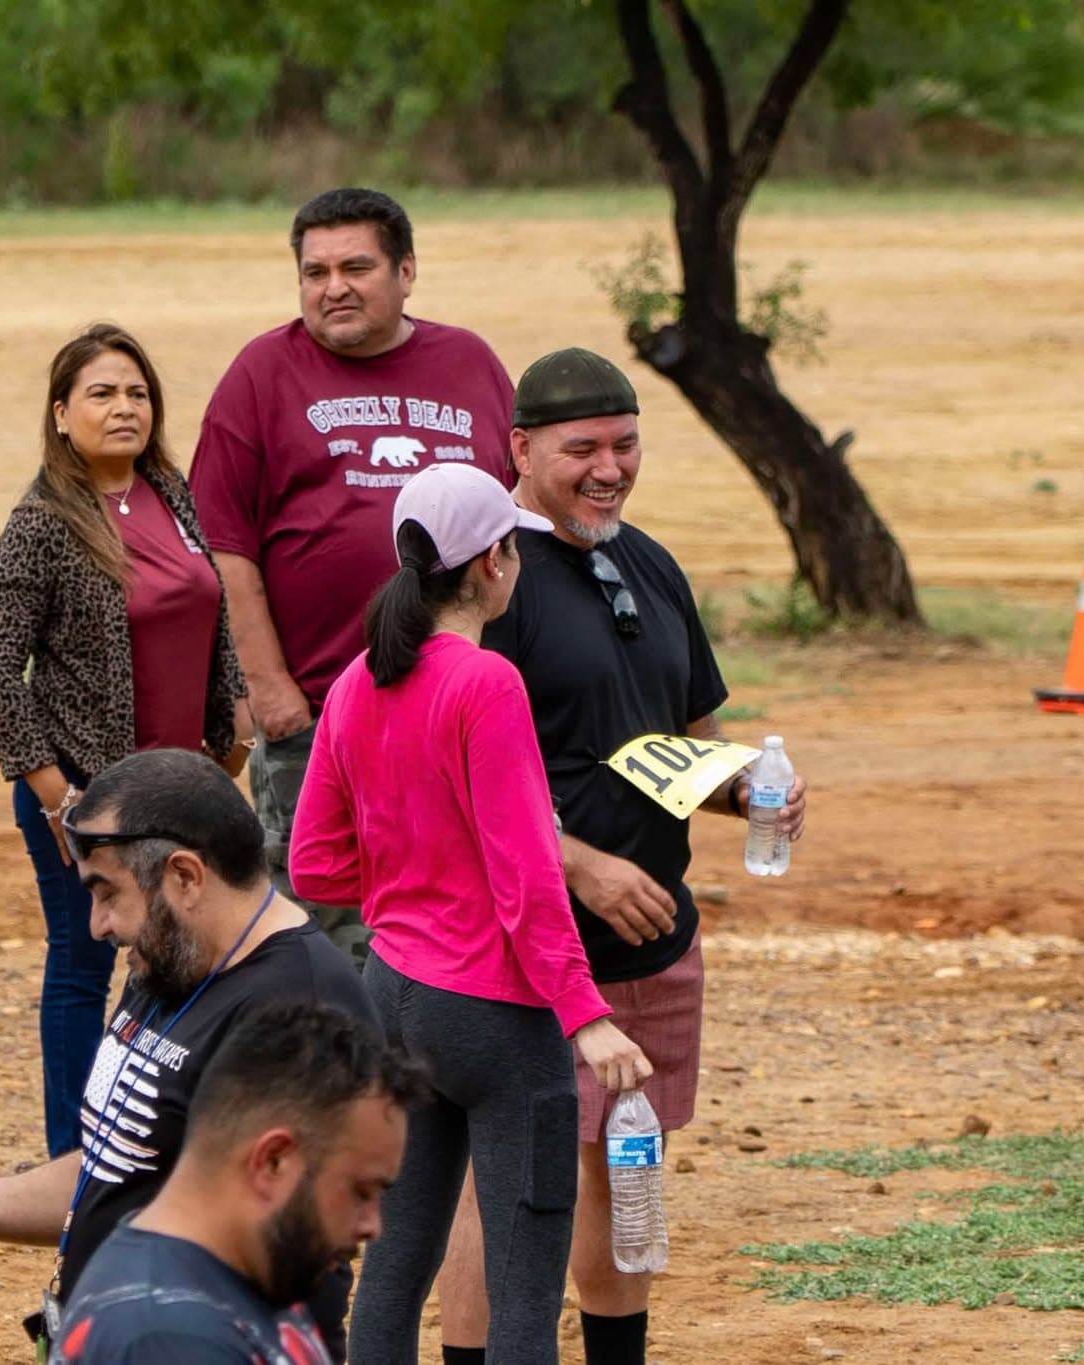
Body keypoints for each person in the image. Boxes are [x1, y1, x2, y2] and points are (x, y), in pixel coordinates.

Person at [434, 349, 810, 1365]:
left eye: (625, 444)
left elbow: (683, 728)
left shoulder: (643, 559)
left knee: (622, 1167)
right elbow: (453, 777)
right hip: (523, 945)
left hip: (648, 936)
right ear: (518, 449)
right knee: (504, 1177)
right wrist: (579, 864)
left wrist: (743, 788)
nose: (608, 468)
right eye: (581, 449)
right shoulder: (484, 581)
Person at [289, 462, 652, 1362]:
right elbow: (528, 876)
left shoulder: (356, 682)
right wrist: (589, 1016)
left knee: (396, 1265)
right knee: (526, 1289)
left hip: (394, 995)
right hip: (495, 1017)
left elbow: (313, 861)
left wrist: (412, 885)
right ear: (494, 560)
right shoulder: (486, 684)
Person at [0, 750, 372, 1357]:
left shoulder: (300, 1013)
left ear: (186, 877)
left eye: (106, 893)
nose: (96, 925)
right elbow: (122, 1165)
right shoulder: (172, 961)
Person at [188, 186, 515, 966]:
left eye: (356, 267)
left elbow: (516, 508)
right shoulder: (262, 374)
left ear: (406, 272)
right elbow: (222, 545)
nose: (332, 286)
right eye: (314, 271)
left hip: (458, 708)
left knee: (455, 919)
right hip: (322, 712)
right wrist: (267, 689)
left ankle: (429, 1079)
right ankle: (341, 1084)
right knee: (328, 931)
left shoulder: (469, 363)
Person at [0, 323, 252, 1159]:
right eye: (101, 393)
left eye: (136, 392)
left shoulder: (174, 493)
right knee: (82, 966)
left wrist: (227, 742)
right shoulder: (44, 522)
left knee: (186, 958)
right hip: (87, 795)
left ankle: (156, 1135)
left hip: (180, 791)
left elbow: (216, 615)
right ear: (61, 414)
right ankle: (73, 1162)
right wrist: (62, 799)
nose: (123, 407)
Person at [55, 1001, 429, 1364]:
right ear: (273, 1161)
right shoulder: (171, 1340)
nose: (373, 1225)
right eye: (360, 1191)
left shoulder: (252, 1269)